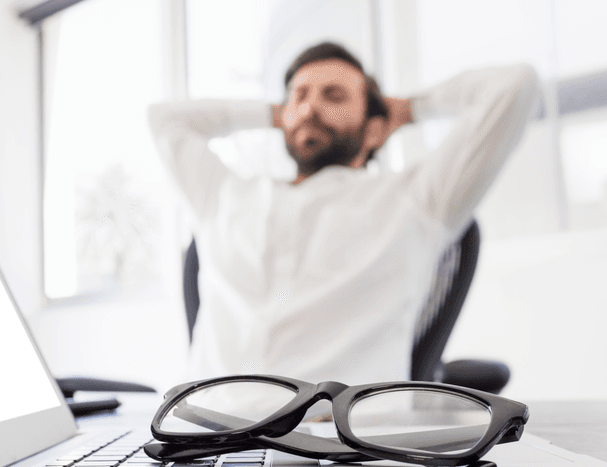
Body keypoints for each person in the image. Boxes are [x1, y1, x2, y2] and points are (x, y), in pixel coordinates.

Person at [149, 42, 539, 386]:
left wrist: (408, 109)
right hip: (199, 439)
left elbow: (514, 87)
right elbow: (166, 119)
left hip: (340, 445)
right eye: (298, 96)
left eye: (333, 96)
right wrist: (275, 113)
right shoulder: (225, 195)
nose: (309, 108)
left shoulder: (418, 198)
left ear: (374, 129)